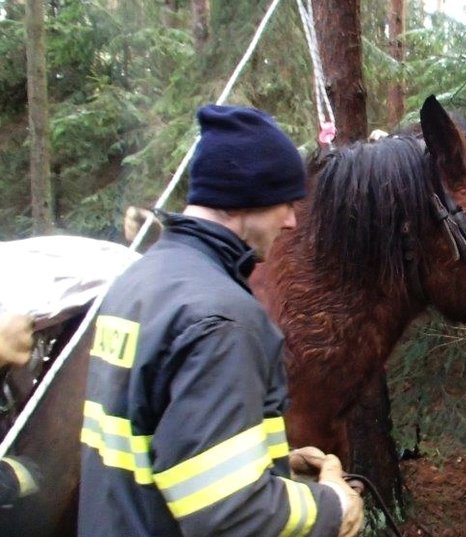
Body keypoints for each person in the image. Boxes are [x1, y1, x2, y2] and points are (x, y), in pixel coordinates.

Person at [79, 104, 363, 536]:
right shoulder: (223, 318)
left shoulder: (137, 280)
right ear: (245, 198)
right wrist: (330, 505)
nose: (290, 222)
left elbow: (160, 438)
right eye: (285, 204)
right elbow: (229, 512)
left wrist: (273, 464)